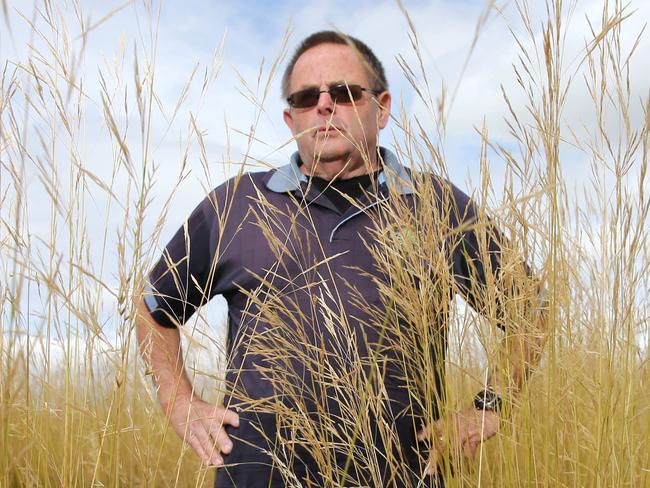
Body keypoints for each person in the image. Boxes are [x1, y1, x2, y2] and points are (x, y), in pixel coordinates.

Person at [135, 31, 548, 487]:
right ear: (291, 119)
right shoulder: (237, 205)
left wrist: (487, 407)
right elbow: (155, 308)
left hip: (400, 476)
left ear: (383, 106)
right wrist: (179, 400)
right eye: (308, 97)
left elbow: (532, 310)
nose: (325, 106)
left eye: (346, 93)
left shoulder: (437, 207)